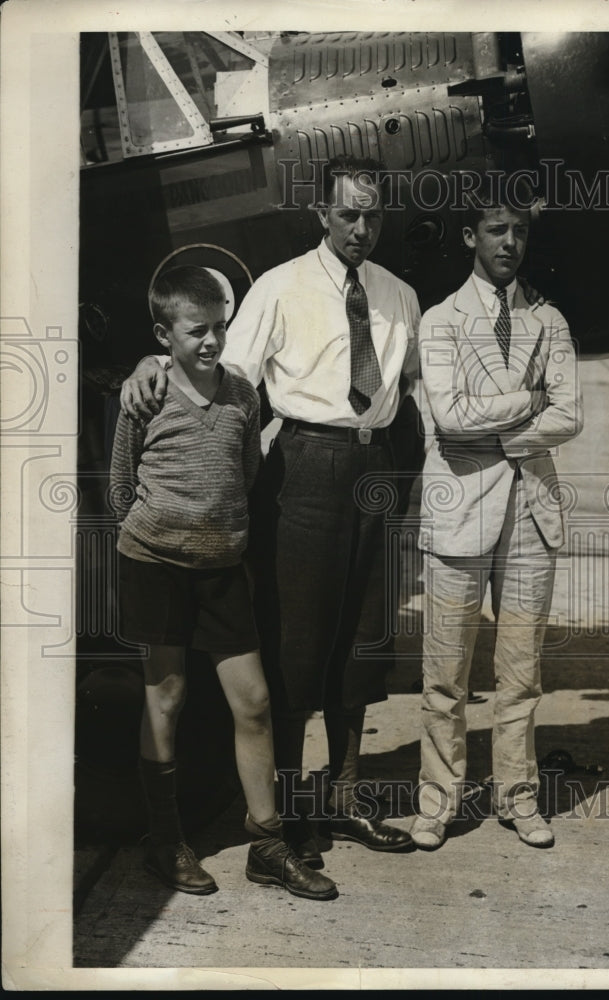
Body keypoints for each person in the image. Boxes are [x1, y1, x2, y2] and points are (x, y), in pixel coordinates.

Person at [119, 156, 419, 871]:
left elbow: (409, 389)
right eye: (348, 214)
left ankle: (344, 796)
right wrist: (145, 363)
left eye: (373, 215)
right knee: (295, 645)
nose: (361, 228)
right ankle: (286, 813)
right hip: (306, 468)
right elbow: (219, 376)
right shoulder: (280, 288)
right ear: (322, 214)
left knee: (363, 637)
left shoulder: (400, 295)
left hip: (376, 470)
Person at [110, 265, 338, 901]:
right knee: (167, 697)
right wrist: (161, 532)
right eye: (196, 331)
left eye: (219, 328)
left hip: (222, 572)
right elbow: (121, 486)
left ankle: (267, 844)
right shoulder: (146, 396)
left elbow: (246, 473)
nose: (211, 341)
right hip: (155, 567)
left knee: (254, 701)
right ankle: (165, 841)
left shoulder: (242, 394)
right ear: (165, 335)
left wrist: (219, 537)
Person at [411, 173, 583, 851]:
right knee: (444, 678)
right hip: (458, 514)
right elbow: (449, 417)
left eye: (519, 231)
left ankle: (518, 797)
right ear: (470, 236)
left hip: (532, 514)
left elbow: (570, 415)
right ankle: (438, 802)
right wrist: (529, 402)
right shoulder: (440, 320)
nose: (510, 242)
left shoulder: (550, 320)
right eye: (496, 229)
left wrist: (505, 433)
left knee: (520, 675)